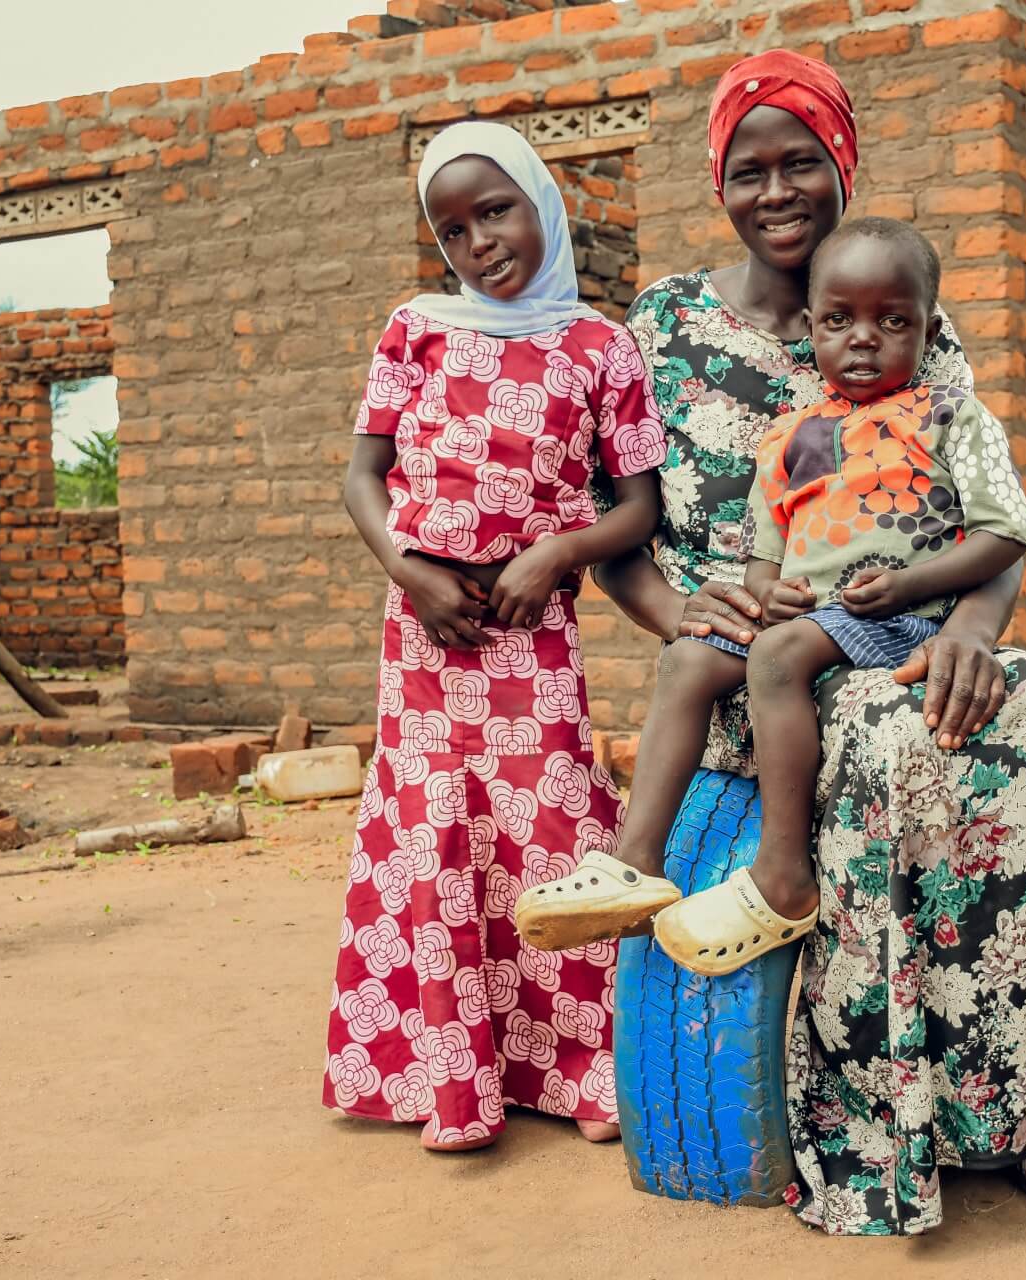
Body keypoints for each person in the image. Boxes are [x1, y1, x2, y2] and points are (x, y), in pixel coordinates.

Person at [555, 51, 1026, 1232]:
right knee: (875, 735)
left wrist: (975, 627)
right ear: (719, 181)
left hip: (884, 618)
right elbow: (614, 533)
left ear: (842, 165)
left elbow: (990, 515)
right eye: (751, 168)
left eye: (802, 161)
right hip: (742, 656)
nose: (779, 190)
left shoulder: (903, 299)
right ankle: (882, 1125)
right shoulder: (660, 323)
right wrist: (683, 614)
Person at [321, 122, 666, 1153]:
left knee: (550, 832)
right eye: (453, 227)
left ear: (544, 206)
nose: (479, 242)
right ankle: (453, 1081)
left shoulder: (601, 346)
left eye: (497, 210)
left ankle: (582, 1070)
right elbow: (359, 475)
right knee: (436, 837)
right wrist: (408, 571)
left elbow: (638, 505)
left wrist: (558, 553)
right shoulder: (413, 330)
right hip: (426, 636)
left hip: (532, 632)